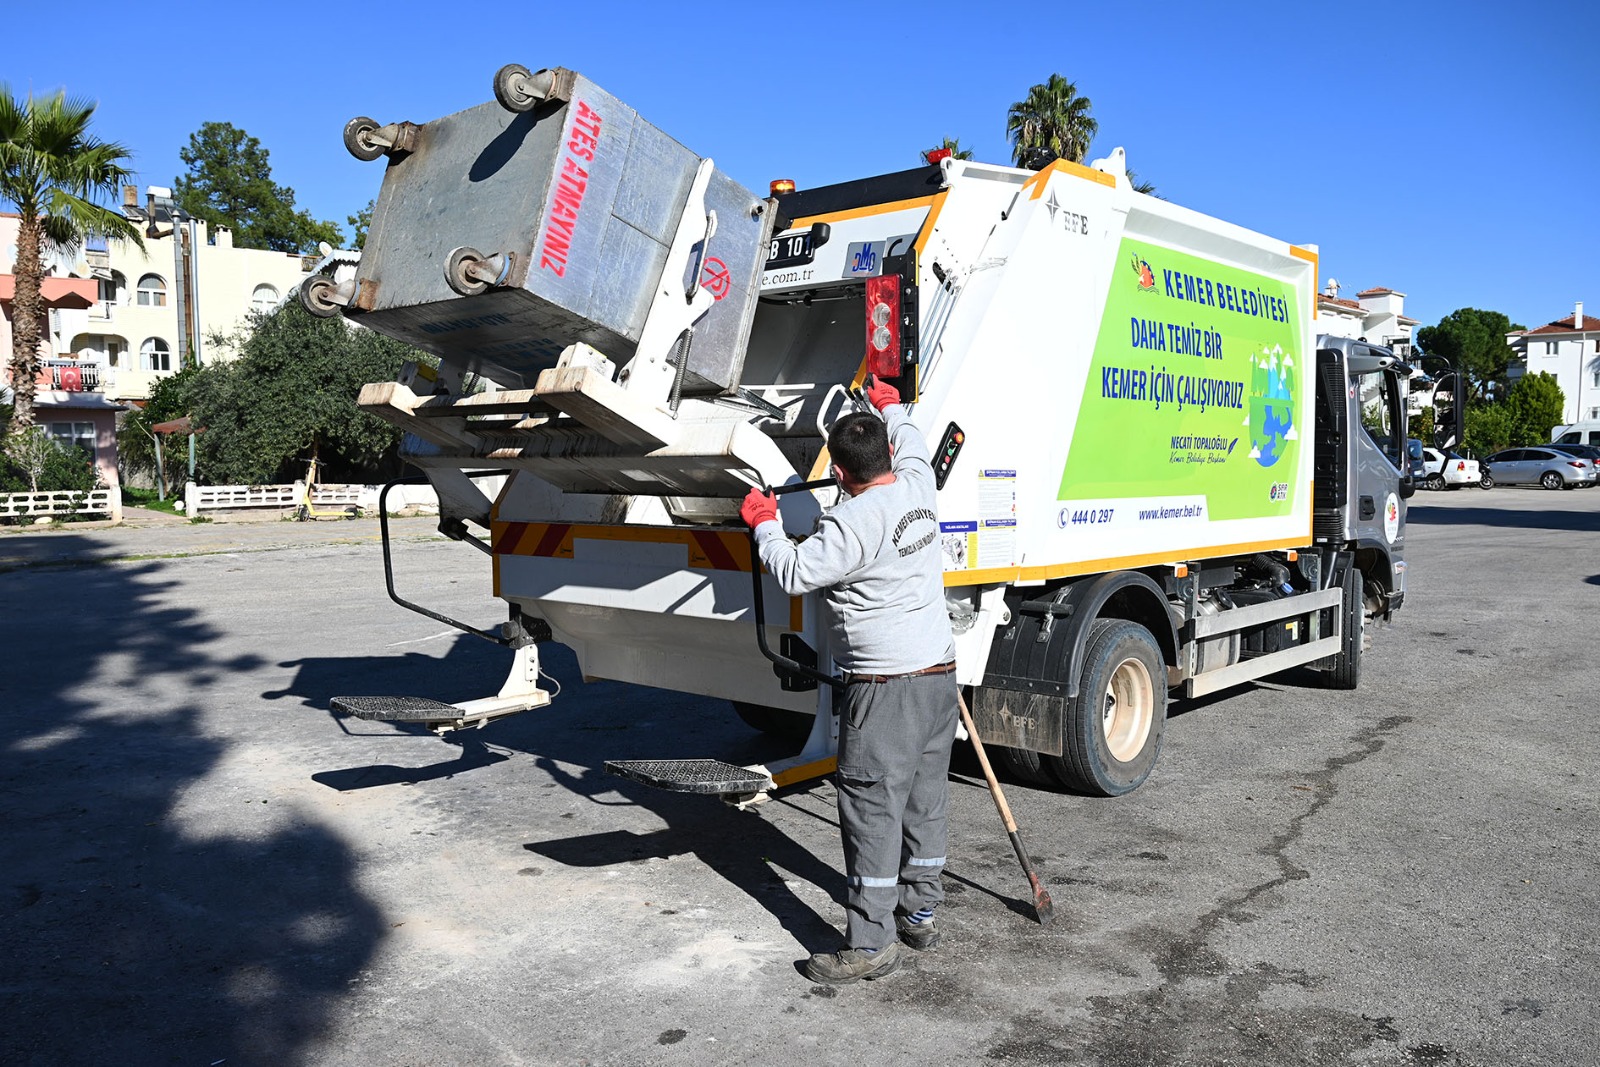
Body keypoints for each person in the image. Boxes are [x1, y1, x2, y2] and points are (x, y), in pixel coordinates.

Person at [740, 375, 958, 985]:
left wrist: (764, 521)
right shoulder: (920, 484)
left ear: (838, 475)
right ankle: (920, 912)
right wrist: (892, 405)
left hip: (884, 688)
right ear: (888, 454)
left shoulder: (851, 525)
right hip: (938, 677)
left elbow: (791, 571)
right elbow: (912, 437)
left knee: (870, 808)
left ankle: (869, 944)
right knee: (924, 798)